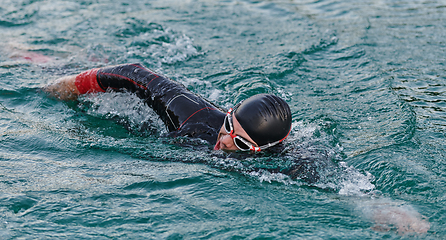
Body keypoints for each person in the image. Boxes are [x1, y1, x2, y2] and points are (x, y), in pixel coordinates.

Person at [44, 63, 292, 152]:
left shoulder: (282, 162)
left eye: (241, 144)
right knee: (53, 67)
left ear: (262, 150)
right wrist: (70, 86)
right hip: (150, 126)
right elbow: (134, 74)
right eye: (229, 125)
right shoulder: (195, 119)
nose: (225, 140)